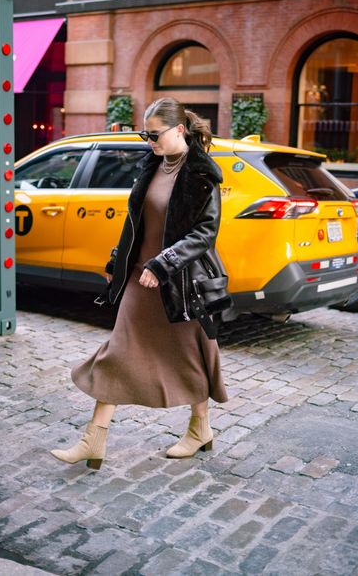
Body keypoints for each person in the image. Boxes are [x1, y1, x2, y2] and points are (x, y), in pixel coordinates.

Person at [50, 97, 228, 470]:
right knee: (119, 351)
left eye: (154, 134)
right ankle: (93, 440)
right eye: (144, 134)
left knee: (191, 352)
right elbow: (137, 221)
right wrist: (118, 261)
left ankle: (200, 429)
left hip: (179, 280)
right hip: (139, 278)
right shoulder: (152, 165)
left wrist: (163, 264)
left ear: (179, 129)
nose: (149, 142)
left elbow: (205, 233)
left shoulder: (201, 174)